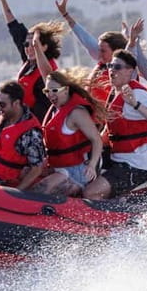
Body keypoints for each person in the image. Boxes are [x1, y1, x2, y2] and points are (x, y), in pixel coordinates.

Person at [84, 50, 147, 199]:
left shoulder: (139, 95)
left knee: (90, 192)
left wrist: (135, 104)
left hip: (136, 165)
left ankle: (107, 220)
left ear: (130, 71)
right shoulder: (115, 93)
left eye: (117, 67)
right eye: (110, 66)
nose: (111, 71)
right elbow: (110, 133)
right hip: (118, 159)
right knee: (81, 175)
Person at [32, 34, 105, 196]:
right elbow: (47, 74)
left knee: (40, 191)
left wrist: (92, 165)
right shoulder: (57, 105)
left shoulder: (76, 112)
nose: (50, 95)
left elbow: (96, 139)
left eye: (54, 91)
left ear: (66, 89)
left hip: (77, 171)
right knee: (25, 176)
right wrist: (37, 48)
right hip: (58, 167)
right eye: (47, 91)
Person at [0, 0, 63, 121]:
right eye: (26, 45)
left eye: (34, 45)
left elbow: (44, 109)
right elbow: (13, 24)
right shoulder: (27, 56)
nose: (28, 49)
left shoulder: (47, 72)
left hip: (34, 121)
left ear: (44, 47)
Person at [55, 0, 128, 103]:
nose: (99, 53)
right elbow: (84, 37)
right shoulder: (101, 59)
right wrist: (65, 14)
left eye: (103, 51)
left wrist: (130, 41)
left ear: (116, 52)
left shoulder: (125, 69)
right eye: (99, 49)